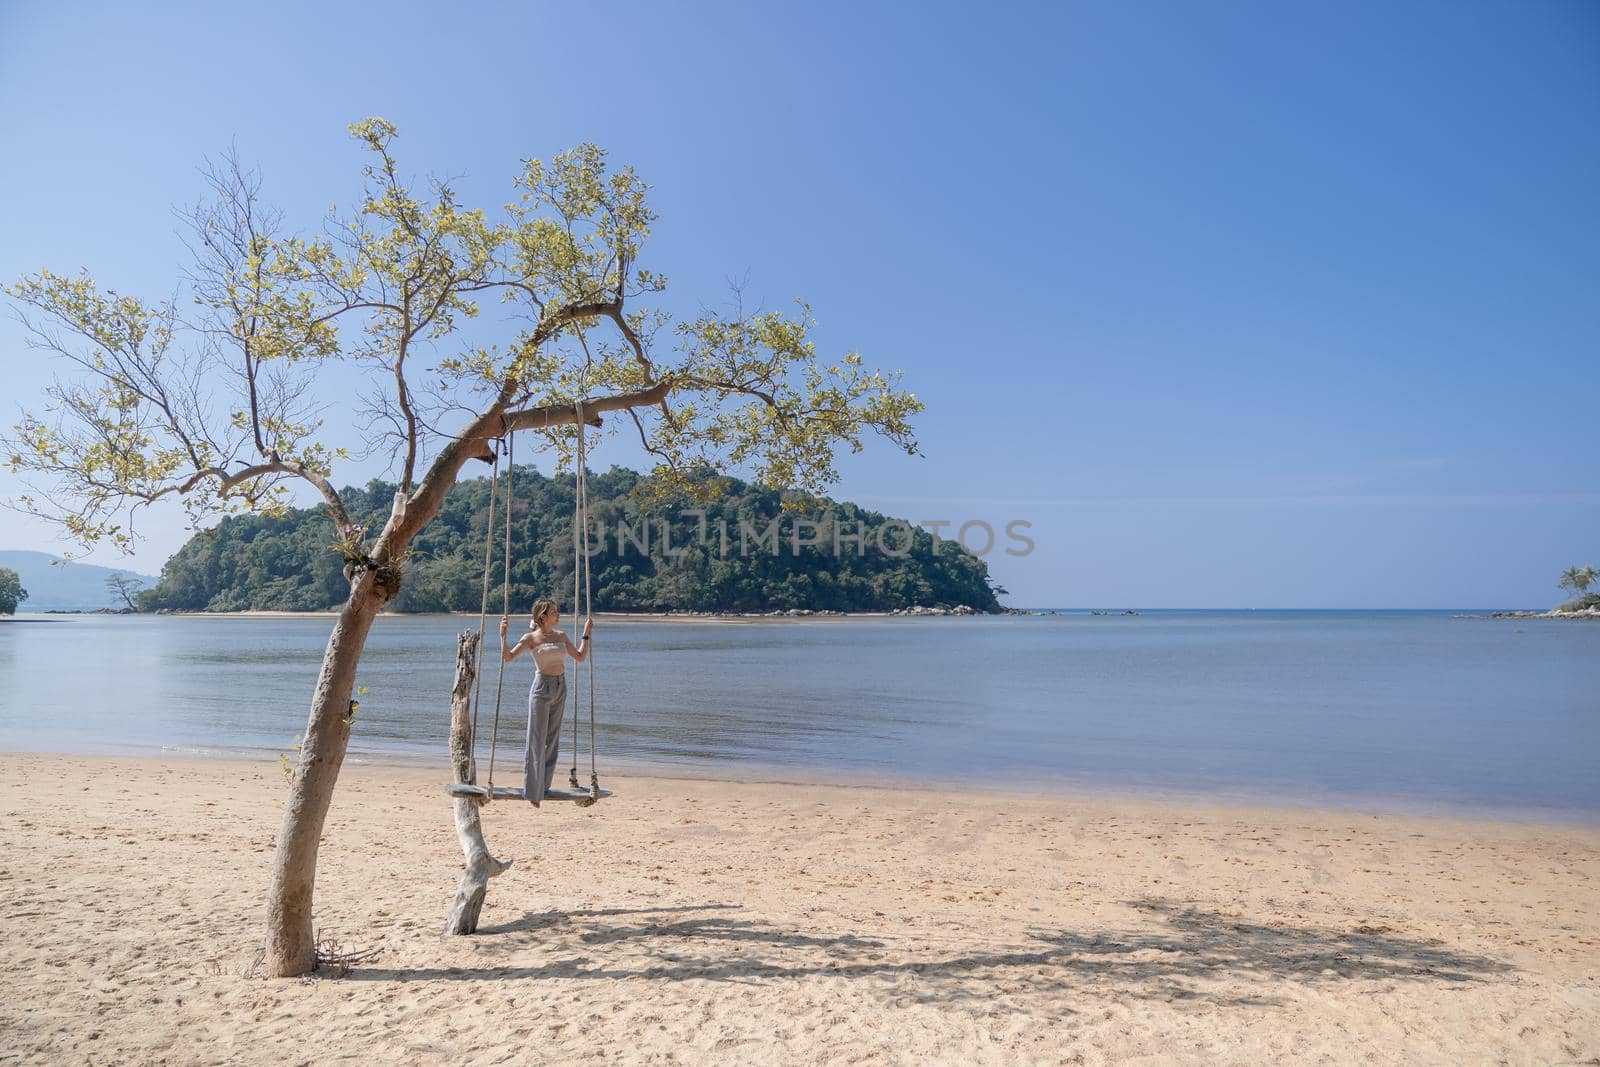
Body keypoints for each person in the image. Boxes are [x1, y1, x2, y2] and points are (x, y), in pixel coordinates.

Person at [499, 597, 592, 806]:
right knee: (537, 740)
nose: (558, 615)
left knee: (552, 740)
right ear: (543, 616)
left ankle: (544, 786)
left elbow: (579, 657)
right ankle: (533, 792)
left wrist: (586, 634)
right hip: (541, 689)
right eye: (554, 612)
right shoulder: (531, 638)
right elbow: (508, 657)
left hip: (561, 686)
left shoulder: (561, 636)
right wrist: (502, 636)